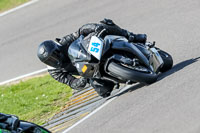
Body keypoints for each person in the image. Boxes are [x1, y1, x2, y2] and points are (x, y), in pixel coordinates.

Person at [37, 18, 147, 97]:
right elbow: (71, 83)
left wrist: (94, 28)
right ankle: (122, 75)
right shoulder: (54, 71)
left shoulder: (64, 43)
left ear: (57, 49)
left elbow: (80, 32)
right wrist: (81, 81)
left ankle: (131, 36)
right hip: (90, 72)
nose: (54, 61)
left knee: (105, 25)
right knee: (103, 91)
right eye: (50, 61)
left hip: (92, 53)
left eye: (54, 56)